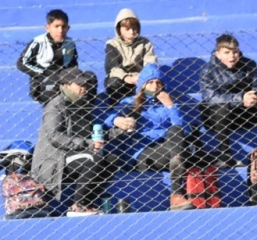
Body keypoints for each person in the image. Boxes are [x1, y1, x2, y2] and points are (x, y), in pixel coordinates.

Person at [105, 63, 192, 210]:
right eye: (150, 82)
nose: (155, 86)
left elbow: (184, 129)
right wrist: (116, 120)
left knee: (176, 132)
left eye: (158, 82)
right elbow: (106, 117)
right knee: (178, 144)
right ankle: (176, 192)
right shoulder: (129, 103)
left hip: (170, 149)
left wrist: (171, 106)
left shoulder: (168, 103)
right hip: (144, 154)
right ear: (142, 85)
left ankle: (176, 195)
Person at [31, 68, 115, 216]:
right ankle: (79, 205)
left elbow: (92, 135)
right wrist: (87, 144)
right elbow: (55, 136)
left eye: (86, 85)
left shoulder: (81, 105)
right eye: (79, 85)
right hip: (54, 160)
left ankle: (88, 203)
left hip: (73, 155)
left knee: (112, 160)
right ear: (66, 85)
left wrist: (119, 130)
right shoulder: (55, 106)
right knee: (94, 158)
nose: (84, 88)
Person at [199, 33, 257, 167]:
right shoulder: (208, 70)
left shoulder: (249, 65)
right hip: (216, 117)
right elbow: (210, 98)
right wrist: (240, 98)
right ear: (217, 54)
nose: (232, 57)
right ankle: (225, 155)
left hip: (246, 112)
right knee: (220, 107)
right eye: (227, 52)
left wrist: (254, 98)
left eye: (235, 52)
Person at [17, 9, 79, 105]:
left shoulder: (70, 43)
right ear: (47, 27)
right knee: (55, 85)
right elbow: (22, 63)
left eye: (63, 27)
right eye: (56, 26)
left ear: (68, 28)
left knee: (89, 77)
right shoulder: (38, 42)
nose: (60, 30)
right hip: (42, 82)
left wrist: (73, 79)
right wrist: (44, 73)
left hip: (64, 79)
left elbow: (73, 64)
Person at [104, 8, 158, 106]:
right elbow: (111, 67)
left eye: (134, 28)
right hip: (122, 80)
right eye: (127, 29)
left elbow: (150, 63)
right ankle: (116, 108)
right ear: (119, 29)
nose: (132, 32)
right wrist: (126, 77)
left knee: (154, 82)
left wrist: (143, 77)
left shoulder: (145, 43)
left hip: (140, 79)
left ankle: (149, 105)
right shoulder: (112, 44)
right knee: (113, 82)